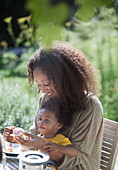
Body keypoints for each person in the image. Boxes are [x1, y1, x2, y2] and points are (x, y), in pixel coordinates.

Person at [3, 41, 103, 170]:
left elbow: (81, 157)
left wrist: (43, 145)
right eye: (39, 85)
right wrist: (19, 138)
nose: (43, 91)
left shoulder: (90, 106)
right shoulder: (45, 100)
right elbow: (36, 134)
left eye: (46, 84)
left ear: (65, 77)